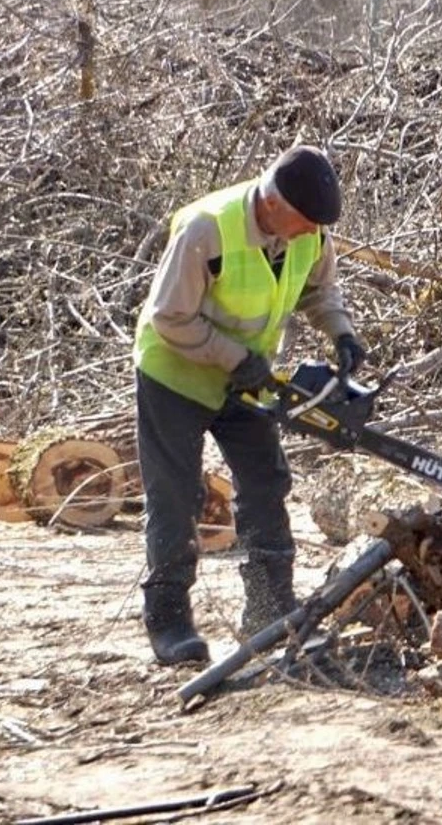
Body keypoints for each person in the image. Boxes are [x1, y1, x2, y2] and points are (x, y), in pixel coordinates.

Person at [131, 145, 369, 665]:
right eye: (305, 223)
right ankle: (168, 619)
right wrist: (233, 356)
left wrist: (342, 334)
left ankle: (270, 608)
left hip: (245, 377)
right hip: (175, 374)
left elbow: (318, 290)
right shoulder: (207, 230)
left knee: (266, 482)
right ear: (276, 203)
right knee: (175, 496)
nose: (312, 233)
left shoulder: (311, 232)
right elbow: (170, 317)